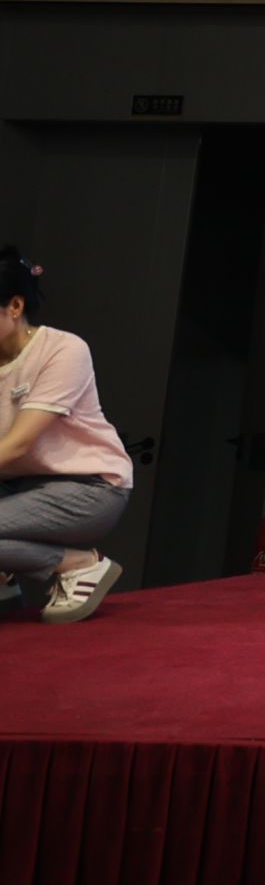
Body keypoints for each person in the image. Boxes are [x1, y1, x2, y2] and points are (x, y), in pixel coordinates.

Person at [0, 243, 127, 621]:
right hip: (17, 486)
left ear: (15, 306)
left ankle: (78, 564)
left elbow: (18, 443)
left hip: (90, 489)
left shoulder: (63, 349)